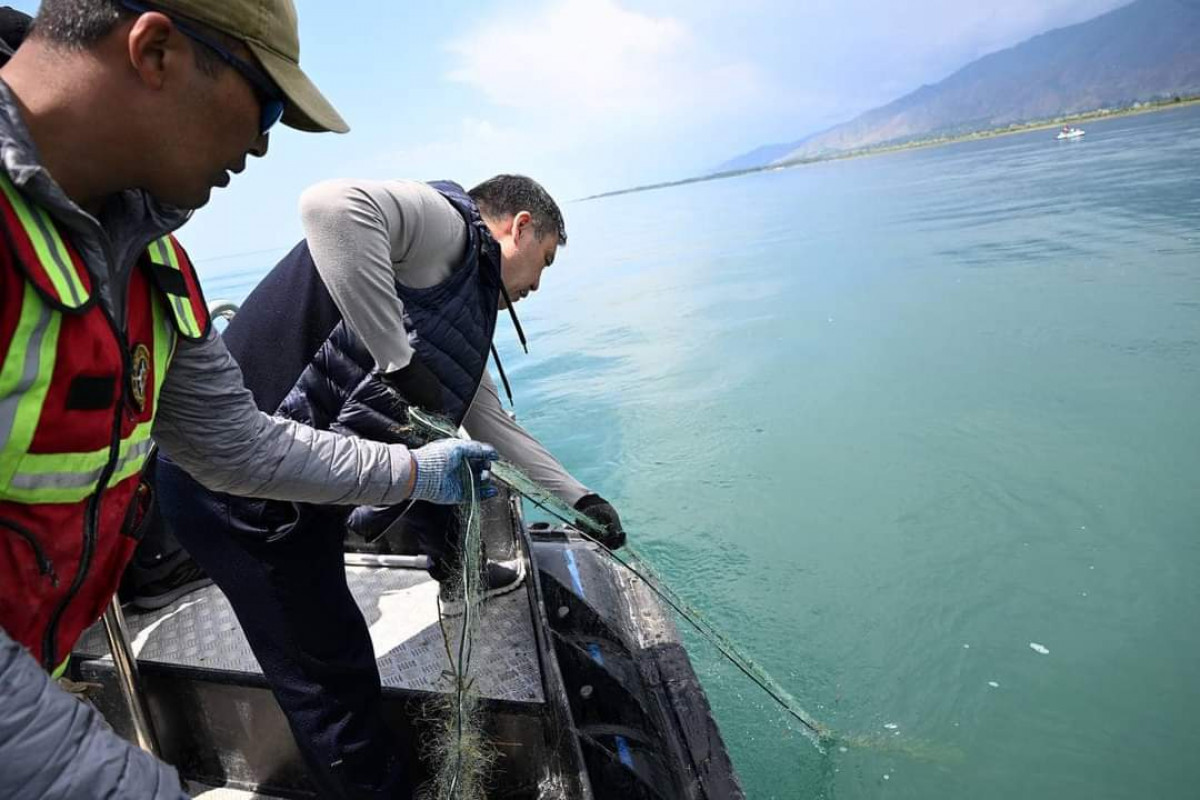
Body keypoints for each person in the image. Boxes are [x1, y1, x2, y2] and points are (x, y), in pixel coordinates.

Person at [0, 2, 495, 798]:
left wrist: (414, 472)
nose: (262, 146)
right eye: (264, 107)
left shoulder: (153, 268)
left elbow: (240, 445)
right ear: (155, 49)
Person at [154, 174, 627, 798]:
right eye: (544, 261)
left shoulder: (463, 301)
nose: (537, 285)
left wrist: (580, 499)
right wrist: (396, 360)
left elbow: (487, 419)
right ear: (519, 228)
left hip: (299, 486)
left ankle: (457, 572)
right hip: (236, 490)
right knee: (332, 680)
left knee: (442, 467)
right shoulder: (447, 227)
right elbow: (329, 206)